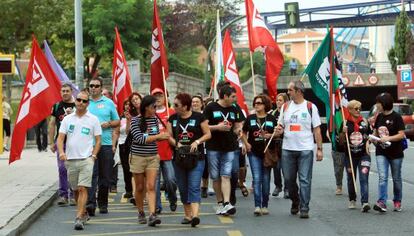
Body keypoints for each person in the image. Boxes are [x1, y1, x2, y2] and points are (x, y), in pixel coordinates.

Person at [276, 80, 323, 219]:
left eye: (290, 90)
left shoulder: (310, 107)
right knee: (289, 179)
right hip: (287, 149)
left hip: (305, 149)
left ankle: (304, 207)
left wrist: (319, 148)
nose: (288, 92)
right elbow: (280, 127)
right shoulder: (285, 107)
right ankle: (295, 200)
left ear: (298, 91)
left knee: (305, 180)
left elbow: (317, 129)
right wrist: (279, 130)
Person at [57, 91, 102, 230]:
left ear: (88, 103)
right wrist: (61, 152)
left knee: (83, 188)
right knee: (76, 190)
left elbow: (98, 140)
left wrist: (93, 156)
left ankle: (78, 218)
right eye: (79, 100)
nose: (81, 103)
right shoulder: (67, 119)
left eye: (84, 101)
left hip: (86, 159)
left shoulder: (93, 119)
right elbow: (60, 138)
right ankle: (83, 212)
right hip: (70, 160)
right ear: (75, 101)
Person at [167, 93, 211, 227]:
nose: (173, 107)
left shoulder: (199, 117)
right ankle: (187, 215)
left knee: (193, 186)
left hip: (196, 158)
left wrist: (197, 142)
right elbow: (168, 136)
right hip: (179, 158)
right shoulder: (173, 118)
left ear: (185, 106)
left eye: (176, 105)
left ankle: (195, 215)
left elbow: (208, 134)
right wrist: (177, 144)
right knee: (182, 187)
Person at [204, 85, 244, 216]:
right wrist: (217, 127)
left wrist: (238, 130)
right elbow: (203, 127)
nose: (235, 99)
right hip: (213, 147)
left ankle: (227, 203)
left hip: (230, 146)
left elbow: (237, 125)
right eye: (233, 96)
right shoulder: (211, 107)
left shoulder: (234, 108)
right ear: (225, 96)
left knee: (226, 175)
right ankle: (220, 203)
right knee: (216, 177)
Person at [130, 95, 170, 226]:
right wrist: (158, 136)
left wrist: (162, 137)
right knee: (140, 187)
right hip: (138, 157)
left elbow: (154, 137)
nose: (156, 109)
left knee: (151, 186)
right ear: (147, 107)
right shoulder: (135, 120)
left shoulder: (155, 119)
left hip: (153, 156)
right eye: (154, 107)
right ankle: (141, 211)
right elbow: (139, 139)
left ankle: (152, 214)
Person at [86, 77, 120, 216]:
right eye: (91, 85)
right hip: (89, 145)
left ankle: (103, 203)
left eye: (96, 86)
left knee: (105, 176)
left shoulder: (108, 103)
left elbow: (117, 120)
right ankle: (91, 204)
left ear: (101, 88)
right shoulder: (84, 103)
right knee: (91, 175)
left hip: (105, 144)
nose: (93, 88)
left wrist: (109, 124)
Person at [242, 95, 278, 216]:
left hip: (268, 152)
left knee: (266, 179)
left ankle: (265, 205)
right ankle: (257, 205)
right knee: (257, 179)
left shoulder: (272, 118)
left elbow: (278, 133)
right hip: (254, 153)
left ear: (265, 105)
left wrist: (272, 135)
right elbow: (243, 132)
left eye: (259, 103)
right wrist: (246, 143)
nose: (256, 105)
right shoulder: (250, 118)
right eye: (255, 103)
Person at [371, 92, 405, 213]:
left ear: (384, 104)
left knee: (396, 178)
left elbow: (401, 135)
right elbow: (376, 131)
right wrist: (372, 139)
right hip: (381, 152)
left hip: (396, 153)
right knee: (382, 177)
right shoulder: (379, 117)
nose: (377, 105)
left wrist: (388, 138)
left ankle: (397, 201)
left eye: (378, 103)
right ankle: (382, 202)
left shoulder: (396, 117)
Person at [340, 100, 371, 212]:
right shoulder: (345, 123)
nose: (358, 111)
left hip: (364, 155)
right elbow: (340, 142)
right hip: (350, 156)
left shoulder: (364, 122)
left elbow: (370, 136)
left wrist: (368, 142)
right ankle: (352, 199)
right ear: (350, 110)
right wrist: (343, 132)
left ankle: (365, 202)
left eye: (360, 108)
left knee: (364, 178)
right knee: (351, 179)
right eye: (356, 108)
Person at [49, 84, 76, 206]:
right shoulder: (57, 106)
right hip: (61, 142)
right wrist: (51, 142)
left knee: (73, 169)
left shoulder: (78, 105)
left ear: (71, 92)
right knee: (62, 168)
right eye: (63, 91)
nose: (65, 93)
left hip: (76, 142)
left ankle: (74, 194)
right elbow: (52, 124)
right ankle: (63, 195)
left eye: (67, 91)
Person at [151, 88, 177, 214]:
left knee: (171, 180)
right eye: (155, 96)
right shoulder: (149, 113)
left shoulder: (171, 112)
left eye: (160, 95)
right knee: (154, 183)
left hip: (167, 153)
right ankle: (157, 206)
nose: (158, 98)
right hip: (153, 153)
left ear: (165, 97)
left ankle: (172, 198)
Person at [270, 93, 289, 198]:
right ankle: (278, 186)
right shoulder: (272, 114)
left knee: (286, 168)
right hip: (275, 143)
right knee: (276, 167)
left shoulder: (288, 113)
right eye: (277, 100)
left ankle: (287, 188)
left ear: (285, 102)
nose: (278, 102)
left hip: (286, 142)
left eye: (280, 100)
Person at [192, 95, 210, 198]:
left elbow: (208, 129)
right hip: (194, 146)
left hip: (205, 144)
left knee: (205, 169)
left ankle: (204, 187)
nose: (195, 104)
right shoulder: (189, 115)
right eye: (193, 102)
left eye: (197, 102)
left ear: (201, 104)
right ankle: (196, 186)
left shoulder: (205, 115)